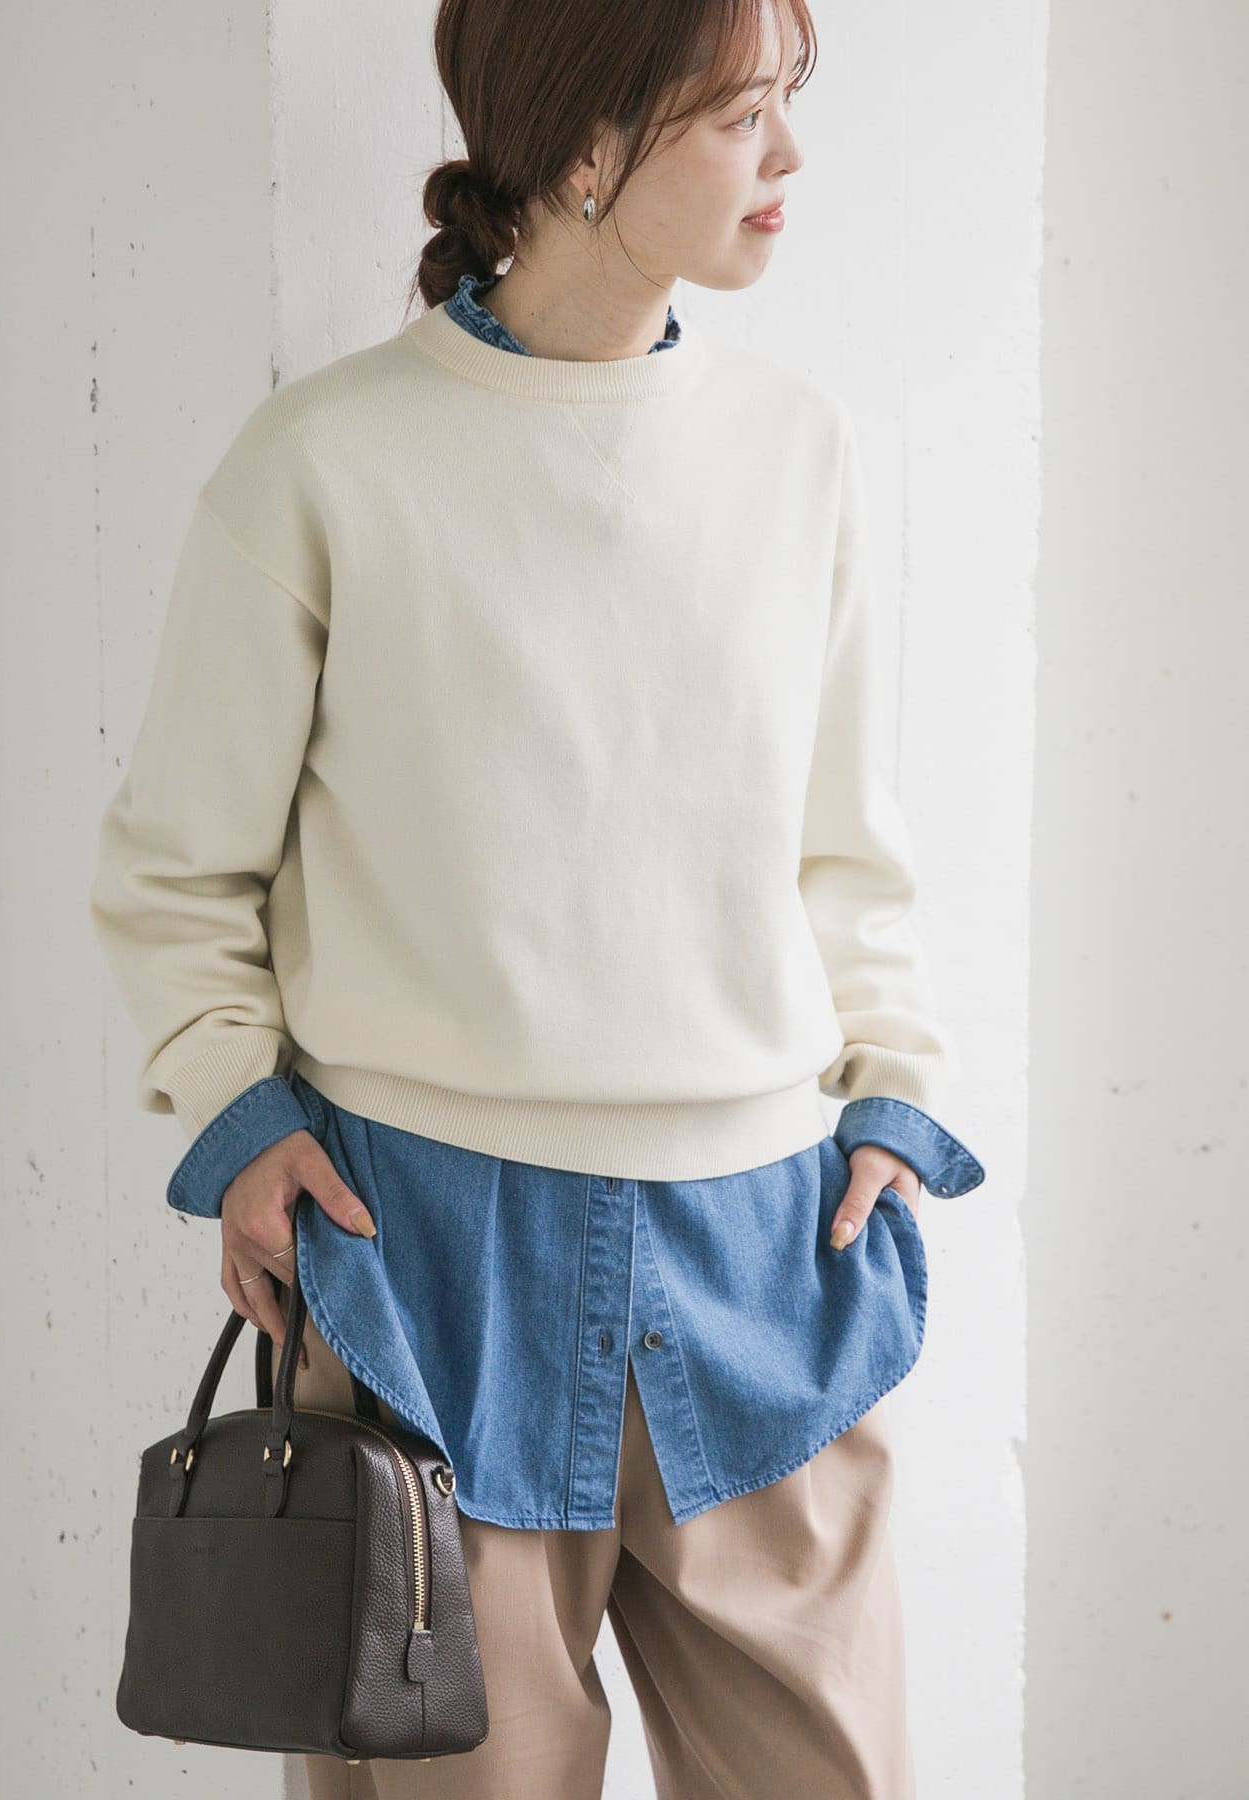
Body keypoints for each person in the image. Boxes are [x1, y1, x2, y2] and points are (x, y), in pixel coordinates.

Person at [88, 1, 987, 1794]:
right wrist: (240, 1114)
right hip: (426, 1264)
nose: (790, 158)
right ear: (586, 145)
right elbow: (180, 865)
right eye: (740, 114)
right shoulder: (326, 461)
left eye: (788, 101)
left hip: (770, 1255)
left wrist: (892, 1085)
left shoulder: (799, 450)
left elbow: (845, 841)